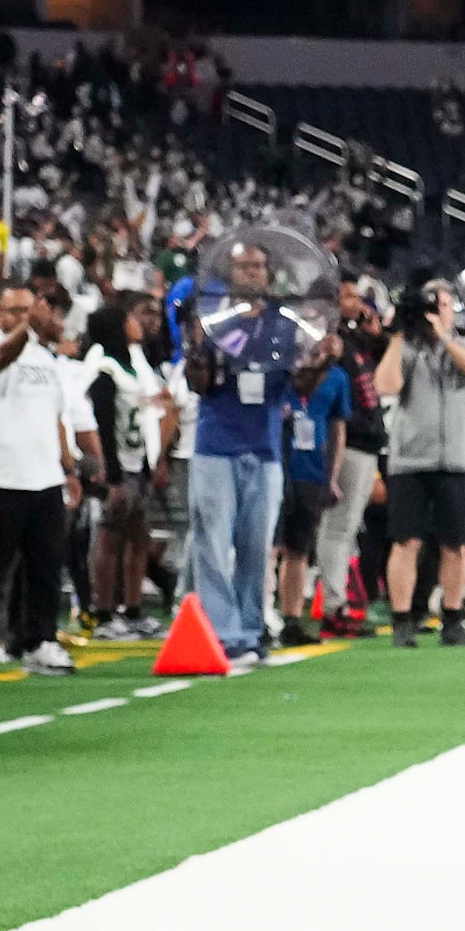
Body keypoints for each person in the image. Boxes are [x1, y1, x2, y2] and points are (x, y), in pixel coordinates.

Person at [0, 282, 98, 675]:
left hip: (43, 480)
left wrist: (68, 469)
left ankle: (41, 642)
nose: (21, 318)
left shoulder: (47, 361)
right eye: (13, 311)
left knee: (46, 567)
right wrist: (29, 330)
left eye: (27, 311)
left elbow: (56, 418)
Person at [180, 243, 310, 663]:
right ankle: (223, 632)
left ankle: (252, 629)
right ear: (231, 273)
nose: (252, 273)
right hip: (216, 442)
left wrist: (321, 363)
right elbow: (198, 384)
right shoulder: (212, 321)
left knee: (257, 545)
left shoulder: (285, 325)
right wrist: (194, 351)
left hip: (266, 444)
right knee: (213, 542)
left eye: (258, 265)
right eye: (244, 266)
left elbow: (300, 386)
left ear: (268, 273)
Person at [375, 278, 465, 648]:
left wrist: (444, 338)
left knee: (455, 544)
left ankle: (453, 619)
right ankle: (403, 620)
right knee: (406, 541)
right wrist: (396, 336)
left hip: (456, 460)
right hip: (410, 460)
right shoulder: (406, 346)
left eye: (441, 306)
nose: (435, 314)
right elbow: (386, 386)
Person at [79, 295, 169, 639]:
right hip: (117, 464)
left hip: (138, 460)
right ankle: (103, 614)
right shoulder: (104, 368)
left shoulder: (135, 361)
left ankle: (132, 610)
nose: (137, 324)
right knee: (110, 534)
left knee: (138, 535)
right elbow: (102, 421)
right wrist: (110, 472)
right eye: (129, 319)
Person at [315, 281, 388, 636]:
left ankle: (337, 600)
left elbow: (380, 367)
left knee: (345, 527)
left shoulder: (355, 341)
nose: (357, 303)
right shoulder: (328, 341)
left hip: (365, 440)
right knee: (338, 526)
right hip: (349, 441)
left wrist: (376, 333)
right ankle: (333, 605)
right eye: (348, 297)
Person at [274, 334, 350, 647]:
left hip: (310, 469)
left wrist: (331, 476)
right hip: (277, 463)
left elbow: (337, 428)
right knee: (270, 546)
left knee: (299, 548)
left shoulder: (336, 377)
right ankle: (261, 613)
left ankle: (291, 618)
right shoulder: (281, 366)